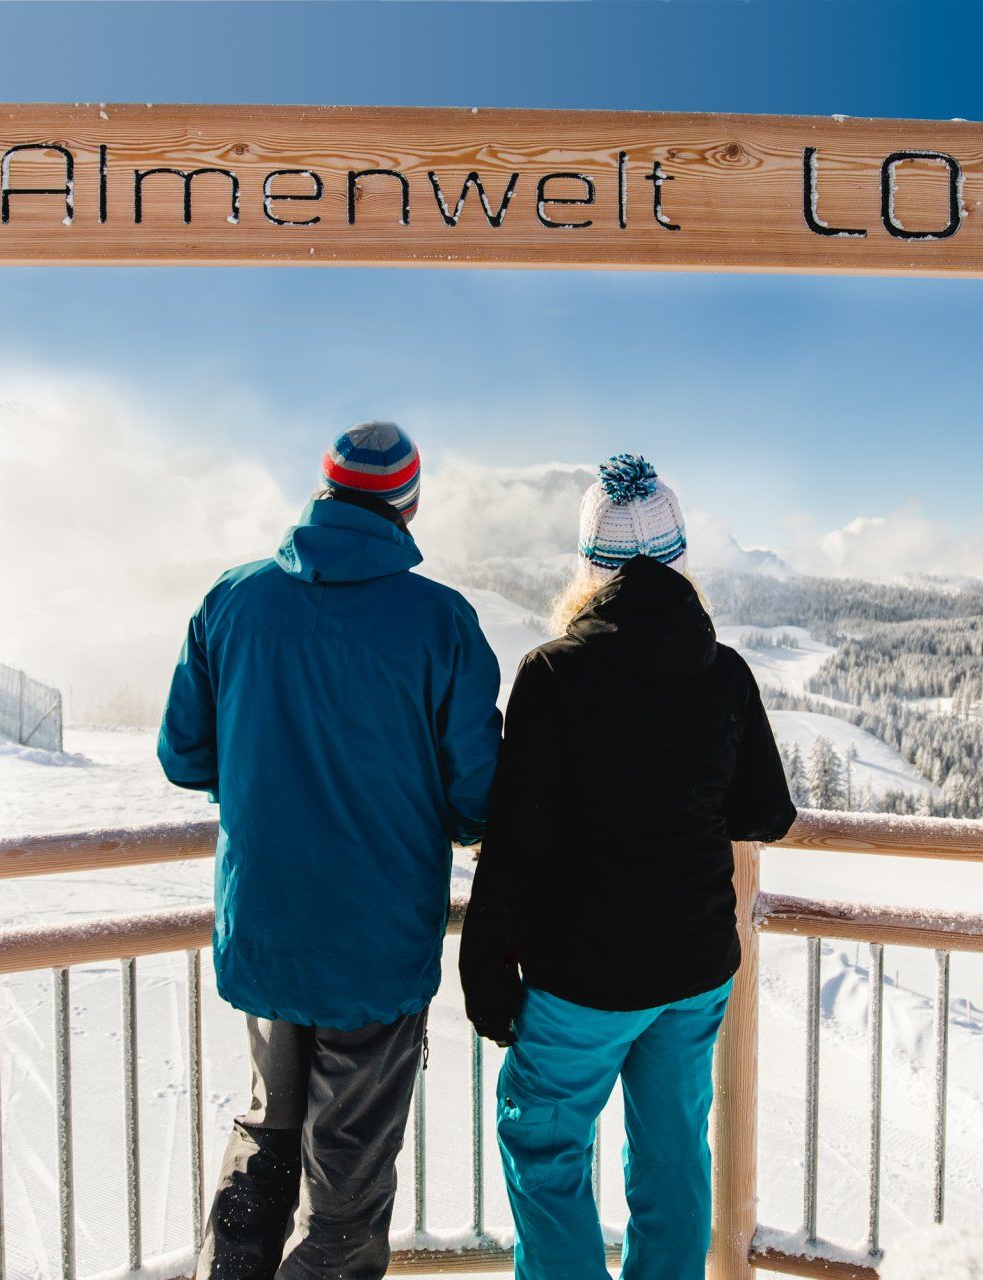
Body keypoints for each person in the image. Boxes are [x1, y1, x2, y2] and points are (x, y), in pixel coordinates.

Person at [159, 421, 502, 1280]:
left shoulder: (231, 600)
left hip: (266, 927)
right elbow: (479, 795)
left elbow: (183, 754)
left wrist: (269, 785)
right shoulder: (440, 621)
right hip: (375, 944)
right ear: (409, 503)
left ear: (323, 489)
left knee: (266, 1133)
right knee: (344, 1185)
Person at [459, 453, 795, 1280]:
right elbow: (767, 813)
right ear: (681, 560)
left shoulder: (553, 673)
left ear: (589, 568)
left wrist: (486, 965)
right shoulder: (724, 672)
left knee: (543, 1141)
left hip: (584, 976)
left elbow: (516, 840)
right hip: (694, 967)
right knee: (674, 1149)